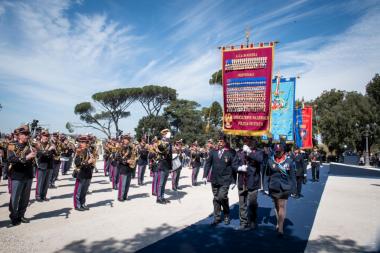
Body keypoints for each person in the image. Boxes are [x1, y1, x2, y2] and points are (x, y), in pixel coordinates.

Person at [203, 134, 235, 226]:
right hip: (215, 179)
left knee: (222, 197)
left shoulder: (230, 152)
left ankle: (226, 214)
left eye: (221, 141)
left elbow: (233, 167)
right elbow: (208, 164)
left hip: (225, 179)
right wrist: (205, 176)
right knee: (216, 198)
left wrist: (233, 180)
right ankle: (217, 218)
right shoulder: (213, 152)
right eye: (218, 141)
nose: (219, 143)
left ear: (225, 142)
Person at [7, 125, 36, 225]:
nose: (26, 136)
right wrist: (27, 157)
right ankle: (14, 216)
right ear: (18, 135)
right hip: (17, 175)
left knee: (25, 198)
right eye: (24, 134)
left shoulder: (30, 145)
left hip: (28, 175)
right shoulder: (11, 145)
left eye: (27, 134)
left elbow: (34, 159)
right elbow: (11, 159)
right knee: (15, 198)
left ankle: (21, 215)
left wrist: (35, 155)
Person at [233, 138, 263, 230]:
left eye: (249, 141)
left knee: (252, 203)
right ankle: (243, 222)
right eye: (245, 141)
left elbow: (260, 159)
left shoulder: (258, 152)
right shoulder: (239, 153)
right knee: (242, 203)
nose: (247, 143)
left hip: (253, 181)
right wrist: (240, 168)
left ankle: (252, 221)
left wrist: (249, 152)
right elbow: (233, 165)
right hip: (242, 181)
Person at [267, 144, 295, 237]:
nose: (277, 153)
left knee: (282, 205)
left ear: (283, 151)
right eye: (276, 151)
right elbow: (267, 174)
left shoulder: (289, 161)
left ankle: (281, 228)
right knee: (276, 205)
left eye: (279, 151)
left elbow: (292, 176)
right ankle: (278, 222)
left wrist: (293, 189)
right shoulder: (270, 161)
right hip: (273, 186)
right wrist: (266, 188)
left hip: (285, 188)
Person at [73, 135, 95, 211]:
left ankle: (83, 203)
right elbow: (77, 163)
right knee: (78, 191)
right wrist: (88, 162)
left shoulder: (89, 151)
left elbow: (91, 161)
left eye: (84, 142)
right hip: (81, 173)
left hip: (88, 172)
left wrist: (92, 161)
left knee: (84, 191)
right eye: (81, 142)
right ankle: (77, 205)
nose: (83, 143)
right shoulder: (78, 151)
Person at [35, 130, 55, 201]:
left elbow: (54, 154)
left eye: (47, 136)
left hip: (50, 165)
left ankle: (43, 195)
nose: (46, 138)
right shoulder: (38, 144)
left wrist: (52, 149)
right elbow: (40, 154)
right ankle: (38, 195)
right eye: (44, 136)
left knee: (46, 183)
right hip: (41, 166)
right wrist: (49, 150)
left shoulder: (50, 145)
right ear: (41, 137)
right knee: (40, 182)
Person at [117, 134, 137, 201]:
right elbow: (118, 158)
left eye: (128, 139)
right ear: (123, 140)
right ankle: (120, 197)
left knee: (127, 184)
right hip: (123, 168)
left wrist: (133, 160)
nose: (127, 141)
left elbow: (133, 156)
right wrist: (126, 161)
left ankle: (125, 196)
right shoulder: (120, 147)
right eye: (126, 139)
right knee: (122, 184)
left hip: (129, 168)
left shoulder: (131, 148)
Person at [156, 129, 172, 204]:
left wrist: (171, 167)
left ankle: (162, 196)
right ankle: (159, 198)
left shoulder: (169, 142)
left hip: (167, 164)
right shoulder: (160, 142)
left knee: (164, 183)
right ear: (163, 135)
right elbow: (161, 148)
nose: (167, 135)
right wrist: (167, 143)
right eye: (166, 134)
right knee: (161, 183)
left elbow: (170, 155)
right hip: (162, 164)